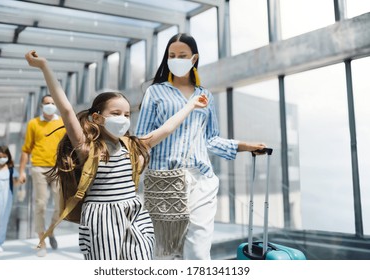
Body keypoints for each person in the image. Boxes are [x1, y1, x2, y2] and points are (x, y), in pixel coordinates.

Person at [24, 50, 208, 260]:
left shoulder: (133, 146)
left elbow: (166, 128)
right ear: (97, 118)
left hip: (134, 212)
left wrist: (191, 105)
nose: (123, 119)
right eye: (116, 113)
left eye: (127, 114)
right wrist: (44, 66)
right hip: (102, 218)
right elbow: (66, 110)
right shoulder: (87, 147)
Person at [135, 33, 267, 260]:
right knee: (165, 252)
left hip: (202, 180)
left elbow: (211, 139)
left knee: (198, 251)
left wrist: (244, 146)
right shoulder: (155, 92)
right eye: (171, 55)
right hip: (165, 181)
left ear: (194, 58)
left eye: (182, 55)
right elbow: (141, 141)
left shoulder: (205, 96)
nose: (176, 59)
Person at [18, 93, 66, 257]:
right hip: (38, 168)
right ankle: (41, 241)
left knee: (61, 207)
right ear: (41, 106)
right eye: (47, 103)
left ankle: (50, 231)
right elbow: (26, 149)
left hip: (57, 168)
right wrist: (21, 171)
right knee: (40, 205)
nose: (50, 105)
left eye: (53, 102)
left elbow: (67, 147)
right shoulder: (33, 123)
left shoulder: (62, 123)